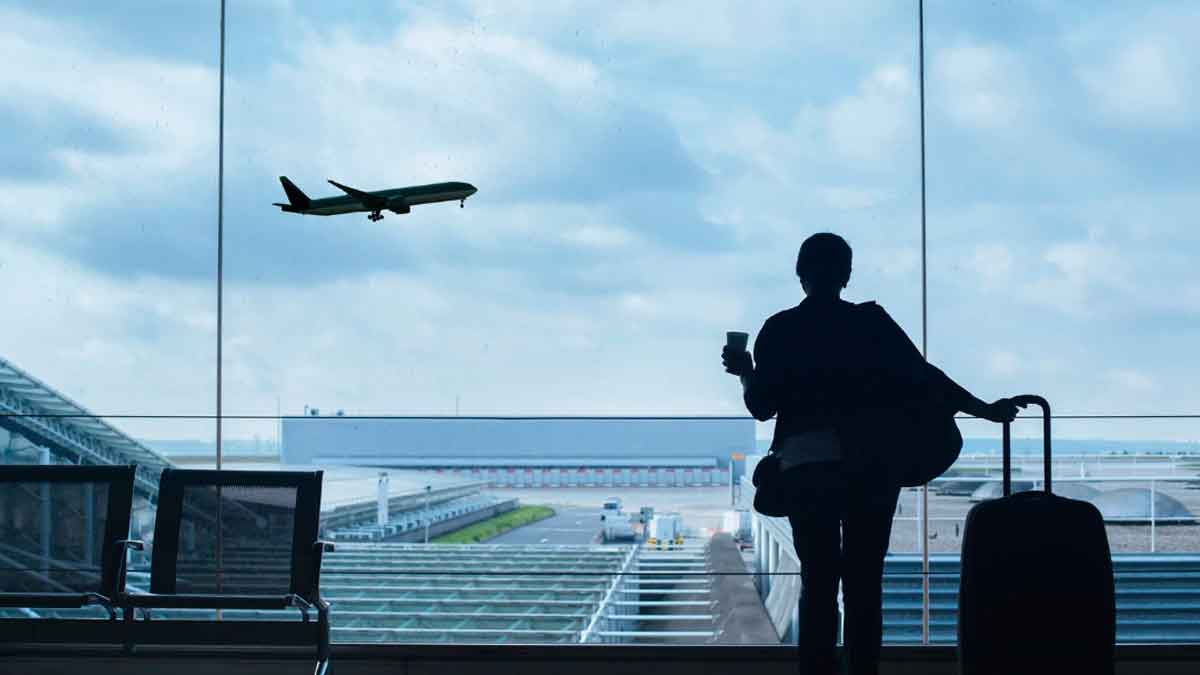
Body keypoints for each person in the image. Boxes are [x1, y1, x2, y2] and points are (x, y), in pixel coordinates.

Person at [721, 233, 1016, 675]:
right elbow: (928, 379)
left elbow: (761, 407)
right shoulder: (871, 324)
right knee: (864, 586)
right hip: (870, 469)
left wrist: (746, 373)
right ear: (847, 275)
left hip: (806, 469)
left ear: (800, 274)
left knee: (818, 583)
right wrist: (985, 410)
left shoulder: (780, 329)